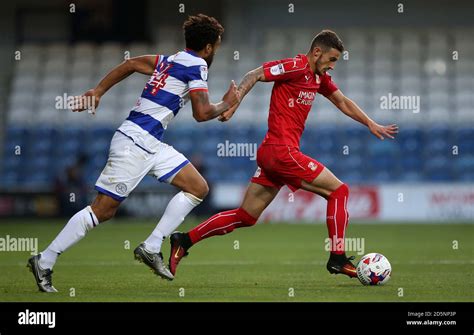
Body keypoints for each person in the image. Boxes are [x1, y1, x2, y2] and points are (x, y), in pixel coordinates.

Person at [28, 14, 240, 292]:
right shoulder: (198, 64)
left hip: (150, 142)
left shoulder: (169, 60)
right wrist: (227, 103)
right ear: (210, 47)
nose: (217, 50)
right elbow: (201, 114)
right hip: (135, 143)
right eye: (218, 45)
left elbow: (129, 63)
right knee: (102, 211)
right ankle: (45, 260)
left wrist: (99, 91)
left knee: (197, 187)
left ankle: (152, 246)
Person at [168, 30, 398, 279]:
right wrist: (233, 105)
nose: (332, 66)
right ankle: (338, 258)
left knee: (245, 216)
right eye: (331, 60)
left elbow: (343, 102)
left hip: (272, 155)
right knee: (339, 191)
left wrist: (370, 123)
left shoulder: (318, 78)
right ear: (317, 52)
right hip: (280, 152)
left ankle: (184, 240)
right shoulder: (295, 66)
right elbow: (254, 74)